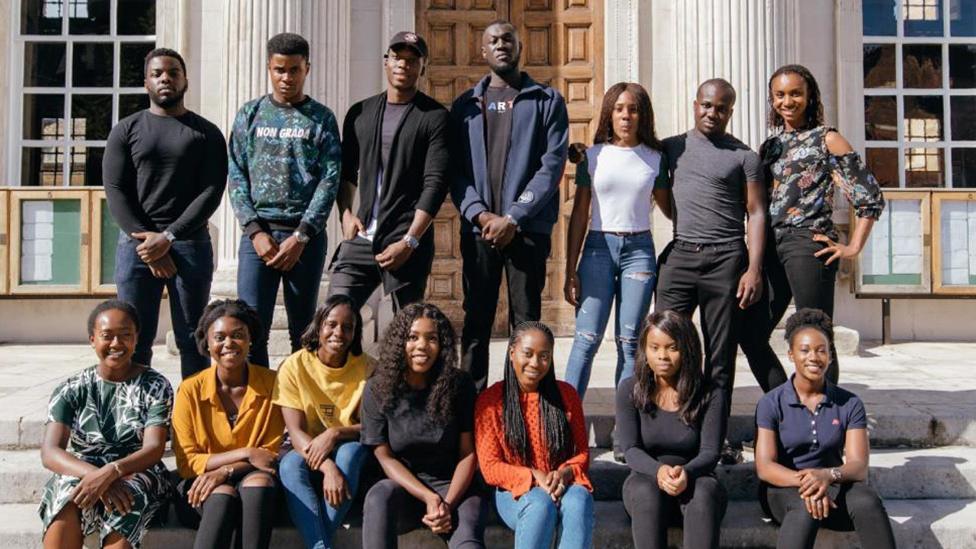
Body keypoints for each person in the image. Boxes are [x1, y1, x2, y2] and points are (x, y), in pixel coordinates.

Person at [740, 64, 886, 387]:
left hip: (808, 243)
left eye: (795, 94)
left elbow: (870, 196)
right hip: (771, 249)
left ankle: (824, 416)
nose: (787, 101)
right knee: (750, 333)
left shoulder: (827, 140)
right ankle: (787, 406)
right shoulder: (770, 147)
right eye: (780, 95)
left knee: (816, 336)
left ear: (809, 97)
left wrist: (853, 247)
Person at [451, 20, 569, 392]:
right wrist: (480, 214)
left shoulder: (547, 101)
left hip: (527, 230)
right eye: (493, 41)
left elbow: (552, 166)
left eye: (507, 39)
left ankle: (525, 405)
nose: (501, 45)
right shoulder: (466, 105)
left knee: (527, 323)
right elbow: (455, 170)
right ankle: (471, 407)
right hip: (479, 230)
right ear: (482, 52)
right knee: (476, 322)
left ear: (520, 47)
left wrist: (515, 216)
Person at [103, 48, 227, 378]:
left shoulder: (206, 133)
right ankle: (140, 417)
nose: (165, 79)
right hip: (136, 248)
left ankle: (191, 417)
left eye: (173, 72)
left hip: (189, 244)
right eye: (157, 73)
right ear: (146, 82)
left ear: (185, 79)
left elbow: (211, 191)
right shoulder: (126, 130)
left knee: (193, 339)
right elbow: (115, 191)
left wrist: (169, 237)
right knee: (134, 338)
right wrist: (148, 242)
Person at [229, 32, 342, 367]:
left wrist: (302, 235)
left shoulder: (321, 118)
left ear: (307, 68)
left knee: (305, 331)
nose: (286, 78)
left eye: (294, 69)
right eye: (280, 69)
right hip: (259, 238)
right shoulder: (250, 114)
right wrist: (255, 231)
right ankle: (261, 406)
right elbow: (236, 174)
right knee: (250, 327)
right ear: (269, 68)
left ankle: (300, 406)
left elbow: (330, 179)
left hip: (303, 239)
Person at [654, 78, 766, 406]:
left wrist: (754, 269)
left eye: (721, 108)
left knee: (720, 354)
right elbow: (661, 194)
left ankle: (716, 434)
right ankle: (668, 421)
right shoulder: (671, 148)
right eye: (706, 105)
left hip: (726, 259)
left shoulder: (745, 157)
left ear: (730, 112)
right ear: (695, 105)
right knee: (664, 343)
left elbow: (757, 213)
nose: (712, 113)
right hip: (681, 255)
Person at [328, 31, 450, 312]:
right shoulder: (361, 112)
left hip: (405, 240)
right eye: (397, 57)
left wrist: (410, 240)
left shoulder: (434, 117)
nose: (403, 65)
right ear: (386, 61)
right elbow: (346, 171)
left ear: (422, 67)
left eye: (411, 60)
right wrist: (345, 214)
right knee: (335, 314)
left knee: (406, 328)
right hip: (361, 239)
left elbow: (435, 184)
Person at [755, 308, 896, 549]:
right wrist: (808, 482)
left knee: (867, 501)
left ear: (831, 356)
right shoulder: (771, 402)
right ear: (790, 355)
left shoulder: (849, 403)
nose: (814, 357)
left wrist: (826, 476)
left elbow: (858, 466)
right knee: (803, 508)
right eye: (805, 350)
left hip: (831, 484)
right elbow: (765, 467)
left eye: (822, 351)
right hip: (784, 487)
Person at [39, 300, 173, 549]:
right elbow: (50, 452)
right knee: (66, 491)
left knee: (128, 493)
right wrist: (95, 476)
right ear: (92, 339)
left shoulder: (155, 386)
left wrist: (112, 472)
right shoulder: (71, 388)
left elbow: (153, 449)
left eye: (125, 335)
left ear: (136, 339)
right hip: (84, 469)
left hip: (137, 470)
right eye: (107, 336)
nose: (116, 344)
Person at [563, 82, 666, 399]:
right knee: (587, 337)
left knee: (630, 340)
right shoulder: (591, 157)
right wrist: (570, 269)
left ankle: (626, 428)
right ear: (609, 114)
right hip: (597, 250)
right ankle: (566, 420)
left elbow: (671, 208)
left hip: (639, 251)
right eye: (619, 109)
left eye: (633, 109)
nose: (626, 116)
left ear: (642, 115)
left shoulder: (655, 159)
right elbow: (580, 214)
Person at [360, 303, 487, 548]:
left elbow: (467, 452)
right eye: (412, 337)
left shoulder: (459, 385)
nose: (421, 346)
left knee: (469, 541)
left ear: (442, 346)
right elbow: (384, 456)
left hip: (454, 488)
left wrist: (446, 504)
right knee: (378, 496)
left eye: (432, 338)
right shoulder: (377, 388)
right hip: (403, 486)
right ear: (399, 343)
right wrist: (427, 496)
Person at [171, 299, 285, 549]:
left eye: (238, 335)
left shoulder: (273, 383)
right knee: (222, 496)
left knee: (259, 483)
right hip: (199, 488)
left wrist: (225, 470)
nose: (228, 344)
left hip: (254, 486)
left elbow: (268, 457)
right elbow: (187, 461)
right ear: (207, 343)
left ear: (250, 339)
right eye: (219, 337)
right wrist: (245, 452)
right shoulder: (190, 389)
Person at [475, 321, 593, 549]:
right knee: (540, 504)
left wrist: (565, 472)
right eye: (527, 354)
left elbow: (582, 453)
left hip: (562, 484)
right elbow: (490, 467)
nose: (535, 363)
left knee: (579, 500)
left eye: (544, 356)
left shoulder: (566, 395)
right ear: (512, 353)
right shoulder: (490, 401)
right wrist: (532, 476)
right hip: (514, 492)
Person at [616, 311, 727, 549]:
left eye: (672, 348)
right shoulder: (629, 389)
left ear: (687, 349)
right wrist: (659, 471)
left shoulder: (710, 393)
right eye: (654, 347)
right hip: (646, 481)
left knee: (704, 493)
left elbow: (710, 452)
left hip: (697, 479)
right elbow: (631, 449)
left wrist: (686, 473)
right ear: (644, 350)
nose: (662, 356)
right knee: (645, 493)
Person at [274, 295, 374, 549]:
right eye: (331, 324)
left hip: (351, 442)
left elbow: (373, 426)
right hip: (306, 444)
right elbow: (295, 432)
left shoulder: (369, 368)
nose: (338, 332)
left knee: (350, 455)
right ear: (318, 327)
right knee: (289, 467)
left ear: (355, 333)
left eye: (347, 327)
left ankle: (318, 543)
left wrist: (335, 433)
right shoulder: (294, 366)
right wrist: (328, 469)